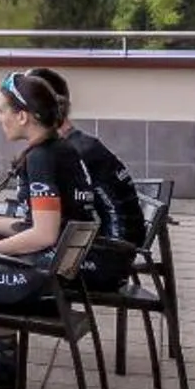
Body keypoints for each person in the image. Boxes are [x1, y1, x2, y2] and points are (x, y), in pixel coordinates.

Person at [0, 71, 95, 386]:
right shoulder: (60, 148)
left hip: (42, 281)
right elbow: (39, 225)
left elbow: (43, 235)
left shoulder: (42, 158)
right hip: (60, 275)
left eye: (2, 111)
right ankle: (0, 360)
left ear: (22, 116)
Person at [26, 67, 143, 291]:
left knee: (1, 266)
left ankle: (56, 320)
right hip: (115, 248)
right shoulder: (79, 143)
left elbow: (49, 230)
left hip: (108, 254)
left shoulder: (69, 152)